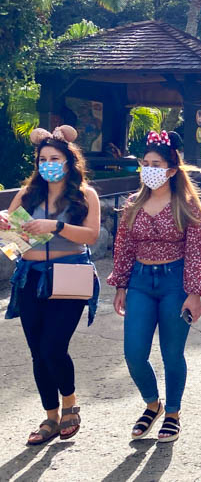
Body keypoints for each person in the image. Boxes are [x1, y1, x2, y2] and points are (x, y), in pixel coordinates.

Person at [109, 130, 201, 444]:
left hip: (174, 282)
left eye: (156, 164)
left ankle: (173, 413)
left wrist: (194, 293)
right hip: (140, 281)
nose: (149, 169)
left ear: (171, 170)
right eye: (146, 163)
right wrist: (121, 285)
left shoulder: (187, 205)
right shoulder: (132, 204)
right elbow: (124, 246)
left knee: (172, 354)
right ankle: (153, 404)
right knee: (134, 353)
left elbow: (196, 251)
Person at [2, 125, 100, 446]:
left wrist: (55, 225)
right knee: (37, 352)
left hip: (70, 274)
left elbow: (91, 236)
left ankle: (70, 403)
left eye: (54, 158)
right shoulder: (27, 194)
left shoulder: (85, 195)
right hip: (30, 277)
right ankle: (50, 416)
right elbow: (11, 241)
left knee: (53, 347)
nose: (48, 164)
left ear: (69, 162)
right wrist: (5, 228)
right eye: (42, 159)